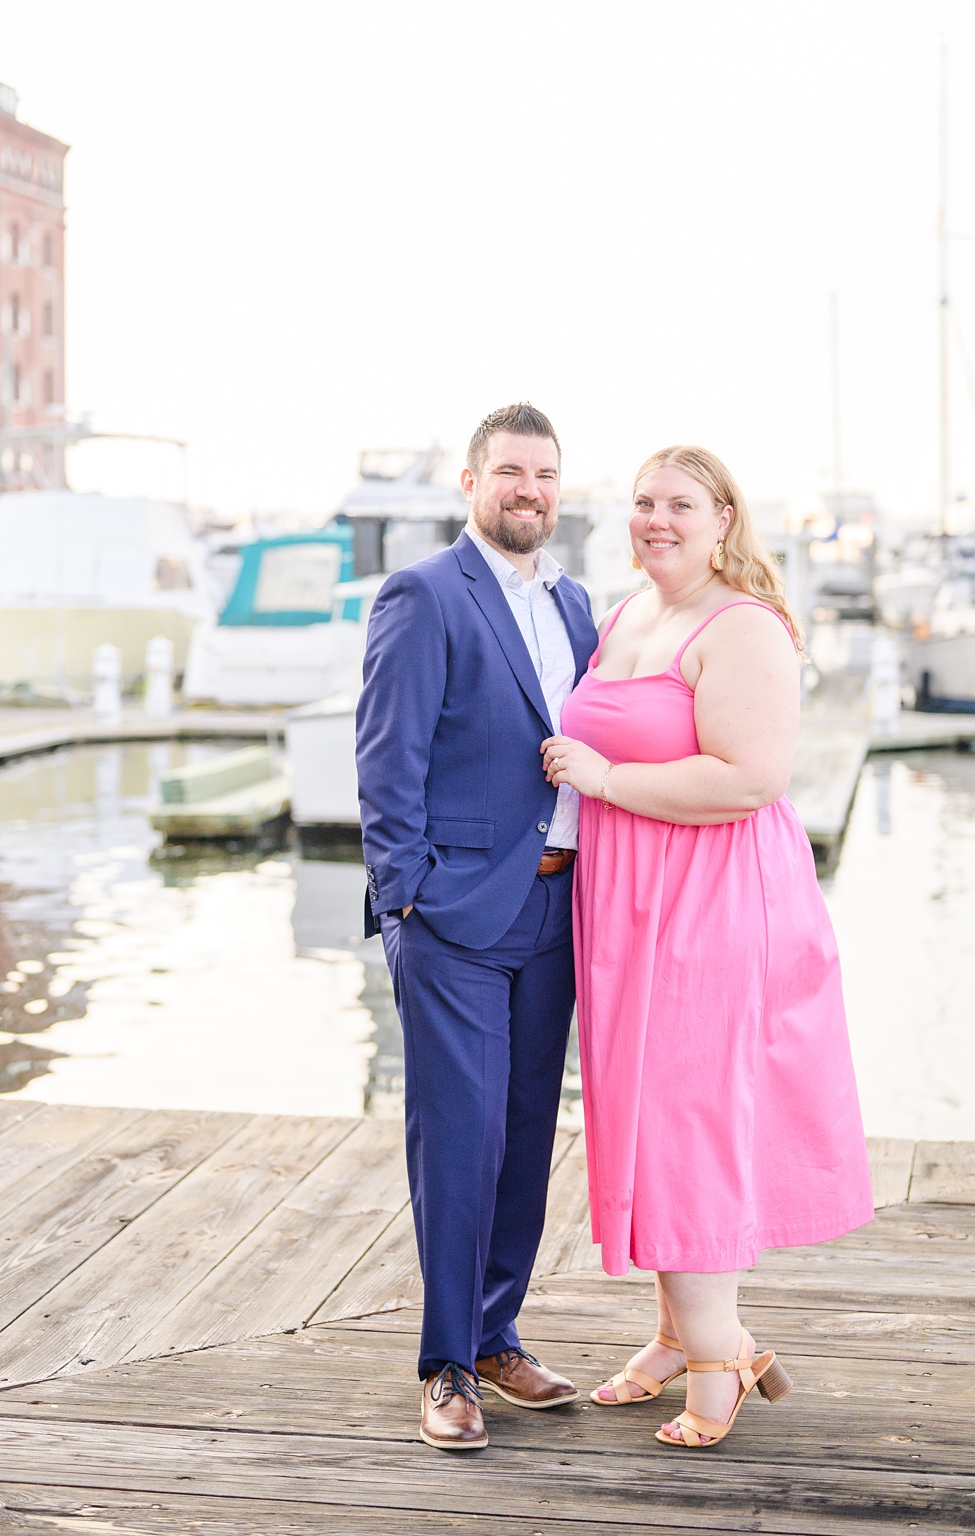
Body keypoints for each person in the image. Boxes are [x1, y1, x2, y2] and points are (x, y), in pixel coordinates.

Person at [543, 445, 871, 1450]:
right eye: (644, 502)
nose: (657, 519)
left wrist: (600, 781)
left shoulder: (745, 627)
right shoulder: (624, 614)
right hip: (629, 900)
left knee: (688, 1114)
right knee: (643, 1109)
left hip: (714, 899)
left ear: (724, 516)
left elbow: (749, 779)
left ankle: (725, 1354)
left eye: (680, 503)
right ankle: (679, 1329)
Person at [355, 401, 596, 1451]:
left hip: (555, 907)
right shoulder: (424, 594)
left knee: (529, 1136)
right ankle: (446, 1362)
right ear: (470, 482)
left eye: (544, 474)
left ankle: (498, 1334)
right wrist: (409, 895)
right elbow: (384, 760)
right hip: (453, 914)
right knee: (462, 1137)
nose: (528, 490)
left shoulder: (578, 602)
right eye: (509, 471)